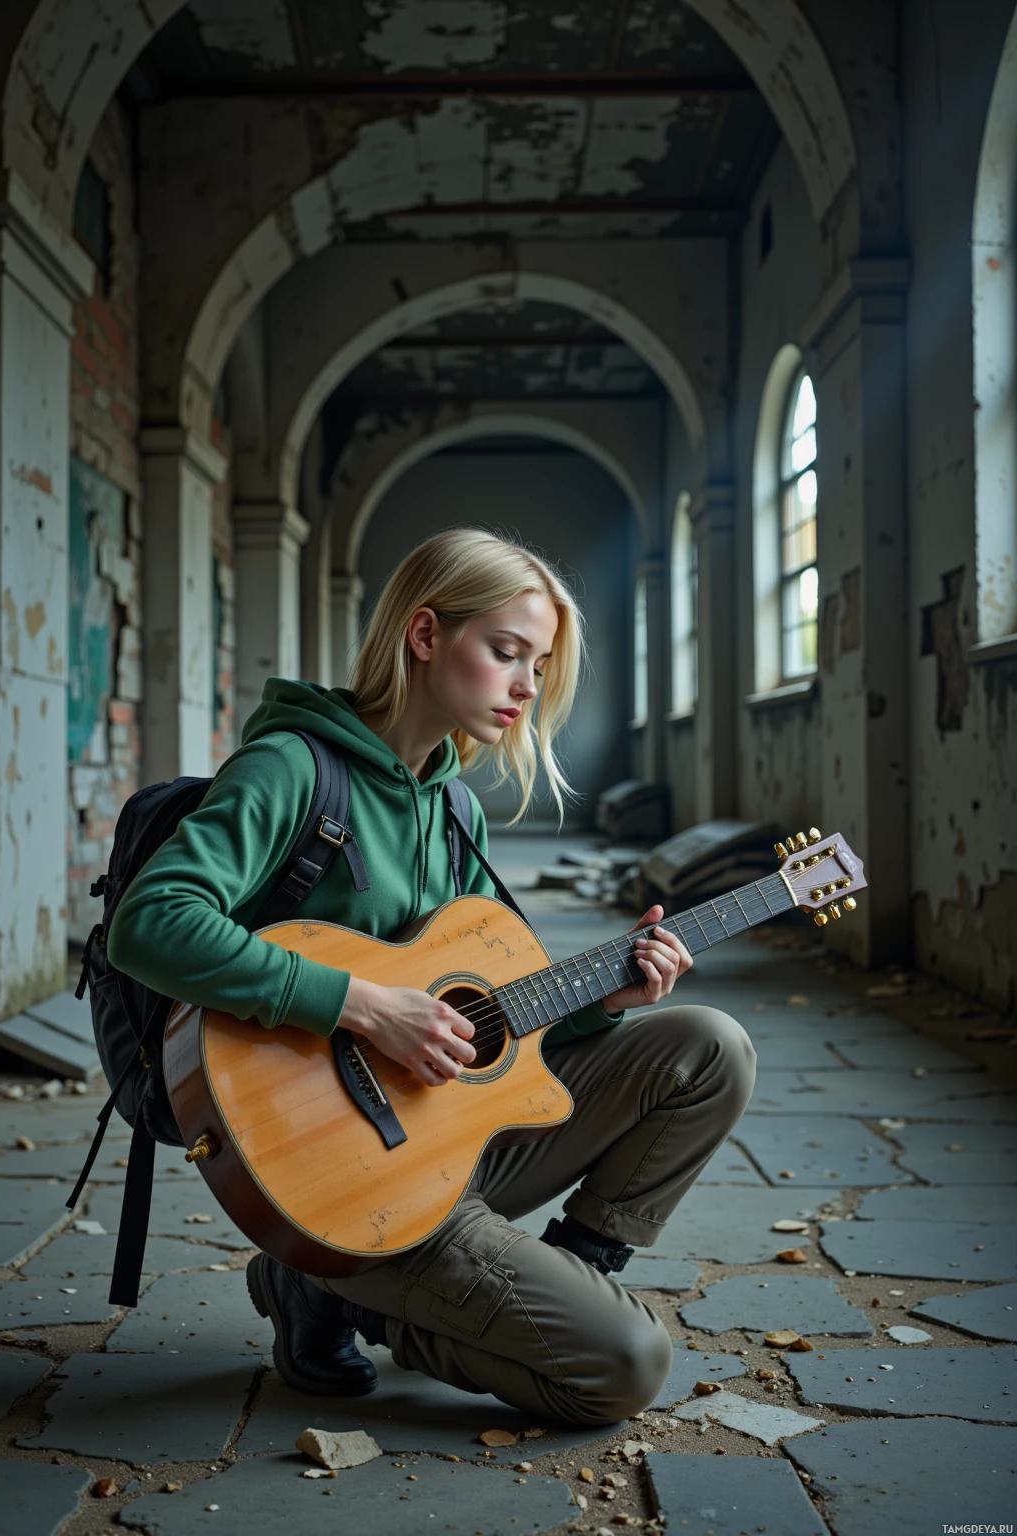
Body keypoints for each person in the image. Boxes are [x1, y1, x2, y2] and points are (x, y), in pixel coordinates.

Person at [108, 527, 755, 1426]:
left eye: (540, 666)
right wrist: (363, 1006)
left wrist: (606, 1001)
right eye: (507, 653)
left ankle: (547, 1279)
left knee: (708, 1047)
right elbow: (150, 924)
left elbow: (481, 1012)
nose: (528, 688)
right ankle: (337, 1289)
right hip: (342, 1172)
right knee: (624, 1371)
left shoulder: (452, 806)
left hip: (449, 1131)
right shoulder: (292, 767)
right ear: (423, 635)